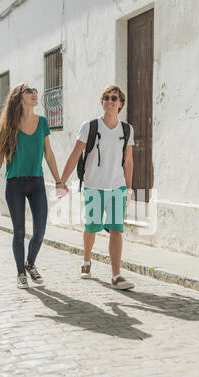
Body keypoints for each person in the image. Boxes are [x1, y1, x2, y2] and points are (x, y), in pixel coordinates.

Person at [0, 83, 67, 289]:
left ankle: (30, 263)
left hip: (37, 182)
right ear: (18, 98)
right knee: (19, 231)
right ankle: (20, 273)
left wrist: (59, 180)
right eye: (29, 92)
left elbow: (48, 154)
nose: (34, 94)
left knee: (40, 230)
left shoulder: (42, 122)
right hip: (15, 183)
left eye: (35, 91)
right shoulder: (8, 124)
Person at [60, 85, 135, 289]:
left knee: (116, 229)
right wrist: (61, 181)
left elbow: (128, 161)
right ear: (102, 102)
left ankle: (116, 275)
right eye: (106, 98)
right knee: (91, 226)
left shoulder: (127, 130)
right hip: (93, 185)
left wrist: (128, 188)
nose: (110, 101)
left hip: (117, 186)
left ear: (120, 104)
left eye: (114, 98)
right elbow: (75, 154)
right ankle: (86, 261)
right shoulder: (90, 127)